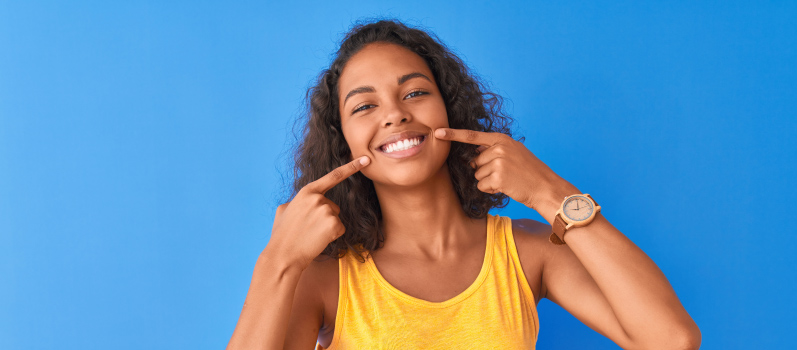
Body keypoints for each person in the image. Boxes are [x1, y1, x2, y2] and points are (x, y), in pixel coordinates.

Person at [227, 19, 701, 350]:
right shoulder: (325, 277)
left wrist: (550, 193)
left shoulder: (529, 253)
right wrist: (277, 262)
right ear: (343, 142)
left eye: (415, 92)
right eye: (364, 106)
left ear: (449, 111)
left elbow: (671, 340)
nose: (395, 113)